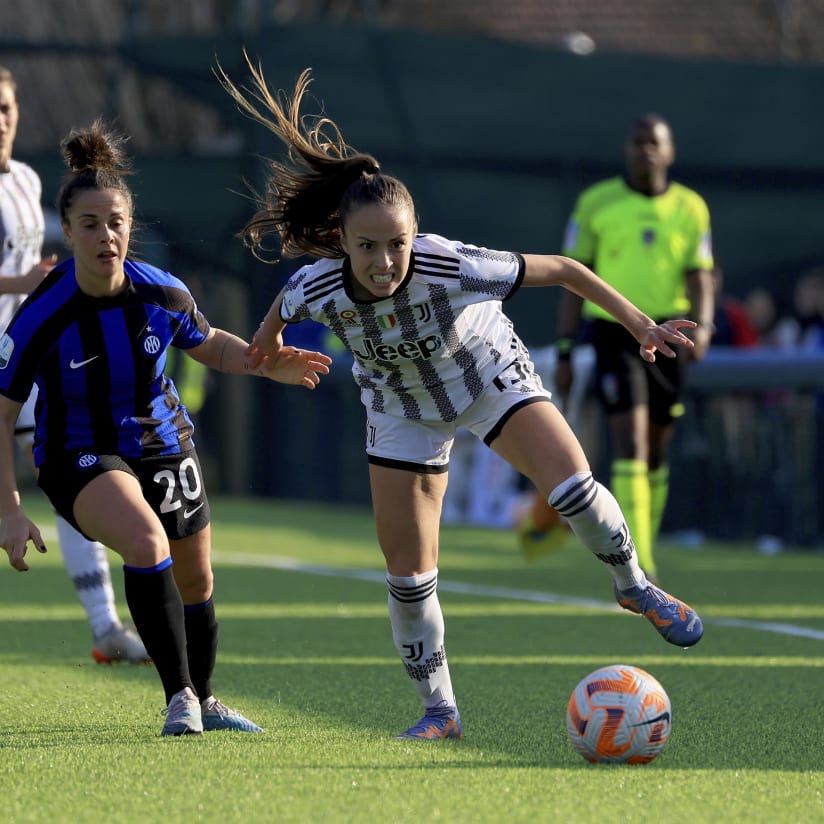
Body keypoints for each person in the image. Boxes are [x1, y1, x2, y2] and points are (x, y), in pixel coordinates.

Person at [216, 60, 704, 741]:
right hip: (401, 411)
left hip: (485, 378)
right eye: (367, 248)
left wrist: (641, 324)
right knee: (409, 580)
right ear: (344, 243)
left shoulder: (451, 265)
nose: (385, 261)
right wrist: (267, 363)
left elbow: (564, 270)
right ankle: (440, 712)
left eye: (397, 244)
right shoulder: (316, 287)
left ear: (416, 237)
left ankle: (633, 583)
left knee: (573, 488)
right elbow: (267, 330)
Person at [0, 118, 331, 736]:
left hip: (163, 440)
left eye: (116, 223)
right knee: (146, 543)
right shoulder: (40, 315)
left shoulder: (163, 293)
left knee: (197, 576)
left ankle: (205, 700)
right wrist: (10, 507)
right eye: (90, 225)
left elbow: (212, 346)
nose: (106, 236)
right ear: (67, 231)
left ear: (131, 226)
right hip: (78, 451)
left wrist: (266, 364)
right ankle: (178, 696)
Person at [0, 64, 149, 664]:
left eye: (6, 108)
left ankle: (105, 626)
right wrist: (23, 281)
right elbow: (27, 276)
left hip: (28, 357)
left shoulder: (27, 179)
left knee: (69, 477)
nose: (0, 120)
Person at [549, 114, 716, 584]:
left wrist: (704, 326)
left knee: (658, 450)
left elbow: (700, 271)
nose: (645, 149)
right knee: (632, 443)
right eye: (637, 140)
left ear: (670, 151)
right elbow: (570, 279)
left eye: (654, 141)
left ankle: (646, 544)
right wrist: (564, 351)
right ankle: (638, 563)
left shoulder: (691, 207)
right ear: (626, 148)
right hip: (614, 332)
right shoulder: (595, 202)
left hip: (672, 331)